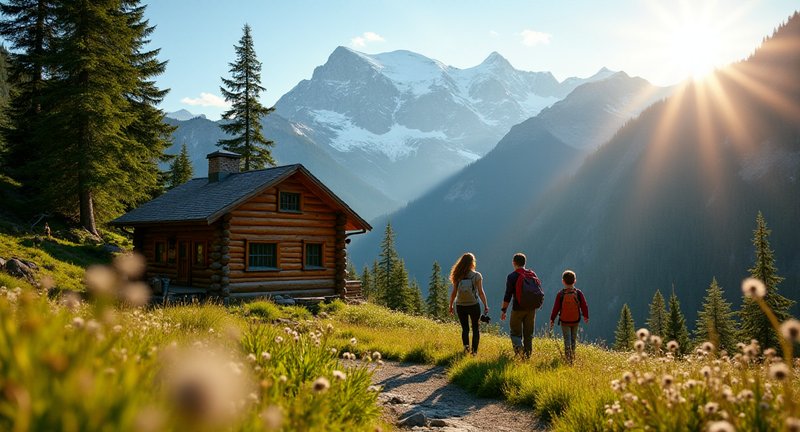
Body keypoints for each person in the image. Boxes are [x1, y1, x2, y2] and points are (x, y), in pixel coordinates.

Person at [501, 253, 541, 358]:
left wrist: (504, 310)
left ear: (514, 263)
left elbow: (507, 295)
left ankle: (519, 352)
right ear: (524, 263)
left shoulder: (512, 276)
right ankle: (527, 356)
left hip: (517, 309)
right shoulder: (532, 274)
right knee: (528, 334)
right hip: (531, 309)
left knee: (515, 333)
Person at [448, 252, 489, 355]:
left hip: (460, 305)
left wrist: (451, 305)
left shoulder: (457, 275)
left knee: (465, 328)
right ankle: (474, 352)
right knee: (475, 328)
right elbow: (480, 292)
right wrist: (485, 305)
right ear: (472, 263)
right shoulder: (477, 275)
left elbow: (454, 293)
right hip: (473, 305)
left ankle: (466, 350)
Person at [549, 270, 589, 365]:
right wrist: (586, 316)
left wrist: (552, 319)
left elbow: (556, 308)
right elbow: (584, 305)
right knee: (573, 339)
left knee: (567, 339)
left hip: (564, 321)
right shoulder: (578, 293)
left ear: (563, 281)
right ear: (575, 281)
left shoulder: (561, 294)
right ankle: (572, 357)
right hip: (575, 320)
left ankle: (568, 359)